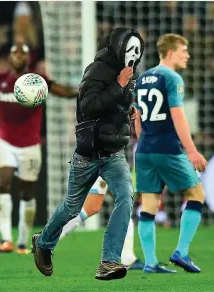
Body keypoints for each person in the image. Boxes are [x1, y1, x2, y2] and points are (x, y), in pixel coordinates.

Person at [31, 27, 145, 281]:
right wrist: (119, 85)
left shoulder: (129, 72)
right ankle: (44, 242)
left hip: (113, 151)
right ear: (119, 47)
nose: (135, 54)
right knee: (72, 207)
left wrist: (128, 110)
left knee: (126, 196)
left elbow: (117, 103)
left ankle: (109, 262)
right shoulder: (97, 71)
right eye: (131, 49)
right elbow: (88, 106)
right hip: (89, 152)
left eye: (138, 50)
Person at [134, 33, 207, 273]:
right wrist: (192, 150)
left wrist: (143, 141)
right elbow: (178, 115)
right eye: (184, 51)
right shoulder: (172, 77)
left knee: (149, 204)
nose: (188, 55)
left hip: (144, 148)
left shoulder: (143, 78)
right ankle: (182, 253)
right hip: (167, 148)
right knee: (196, 194)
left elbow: (137, 117)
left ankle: (151, 262)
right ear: (171, 53)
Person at [0, 41, 77, 255]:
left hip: (30, 144)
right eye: (14, 52)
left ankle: (23, 241)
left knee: (26, 191)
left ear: (28, 58)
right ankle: (6, 239)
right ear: (9, 57)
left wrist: (85, 91)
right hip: (4, 141)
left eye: (22, 53)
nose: (18, 56)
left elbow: (62, 90)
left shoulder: (37, 82)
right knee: (2, 183)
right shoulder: (1, 81)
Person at [60, 176, 144, 270]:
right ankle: (50, 238)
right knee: (93, 207)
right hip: (103, 167)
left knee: (116, 207)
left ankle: (128, 258)